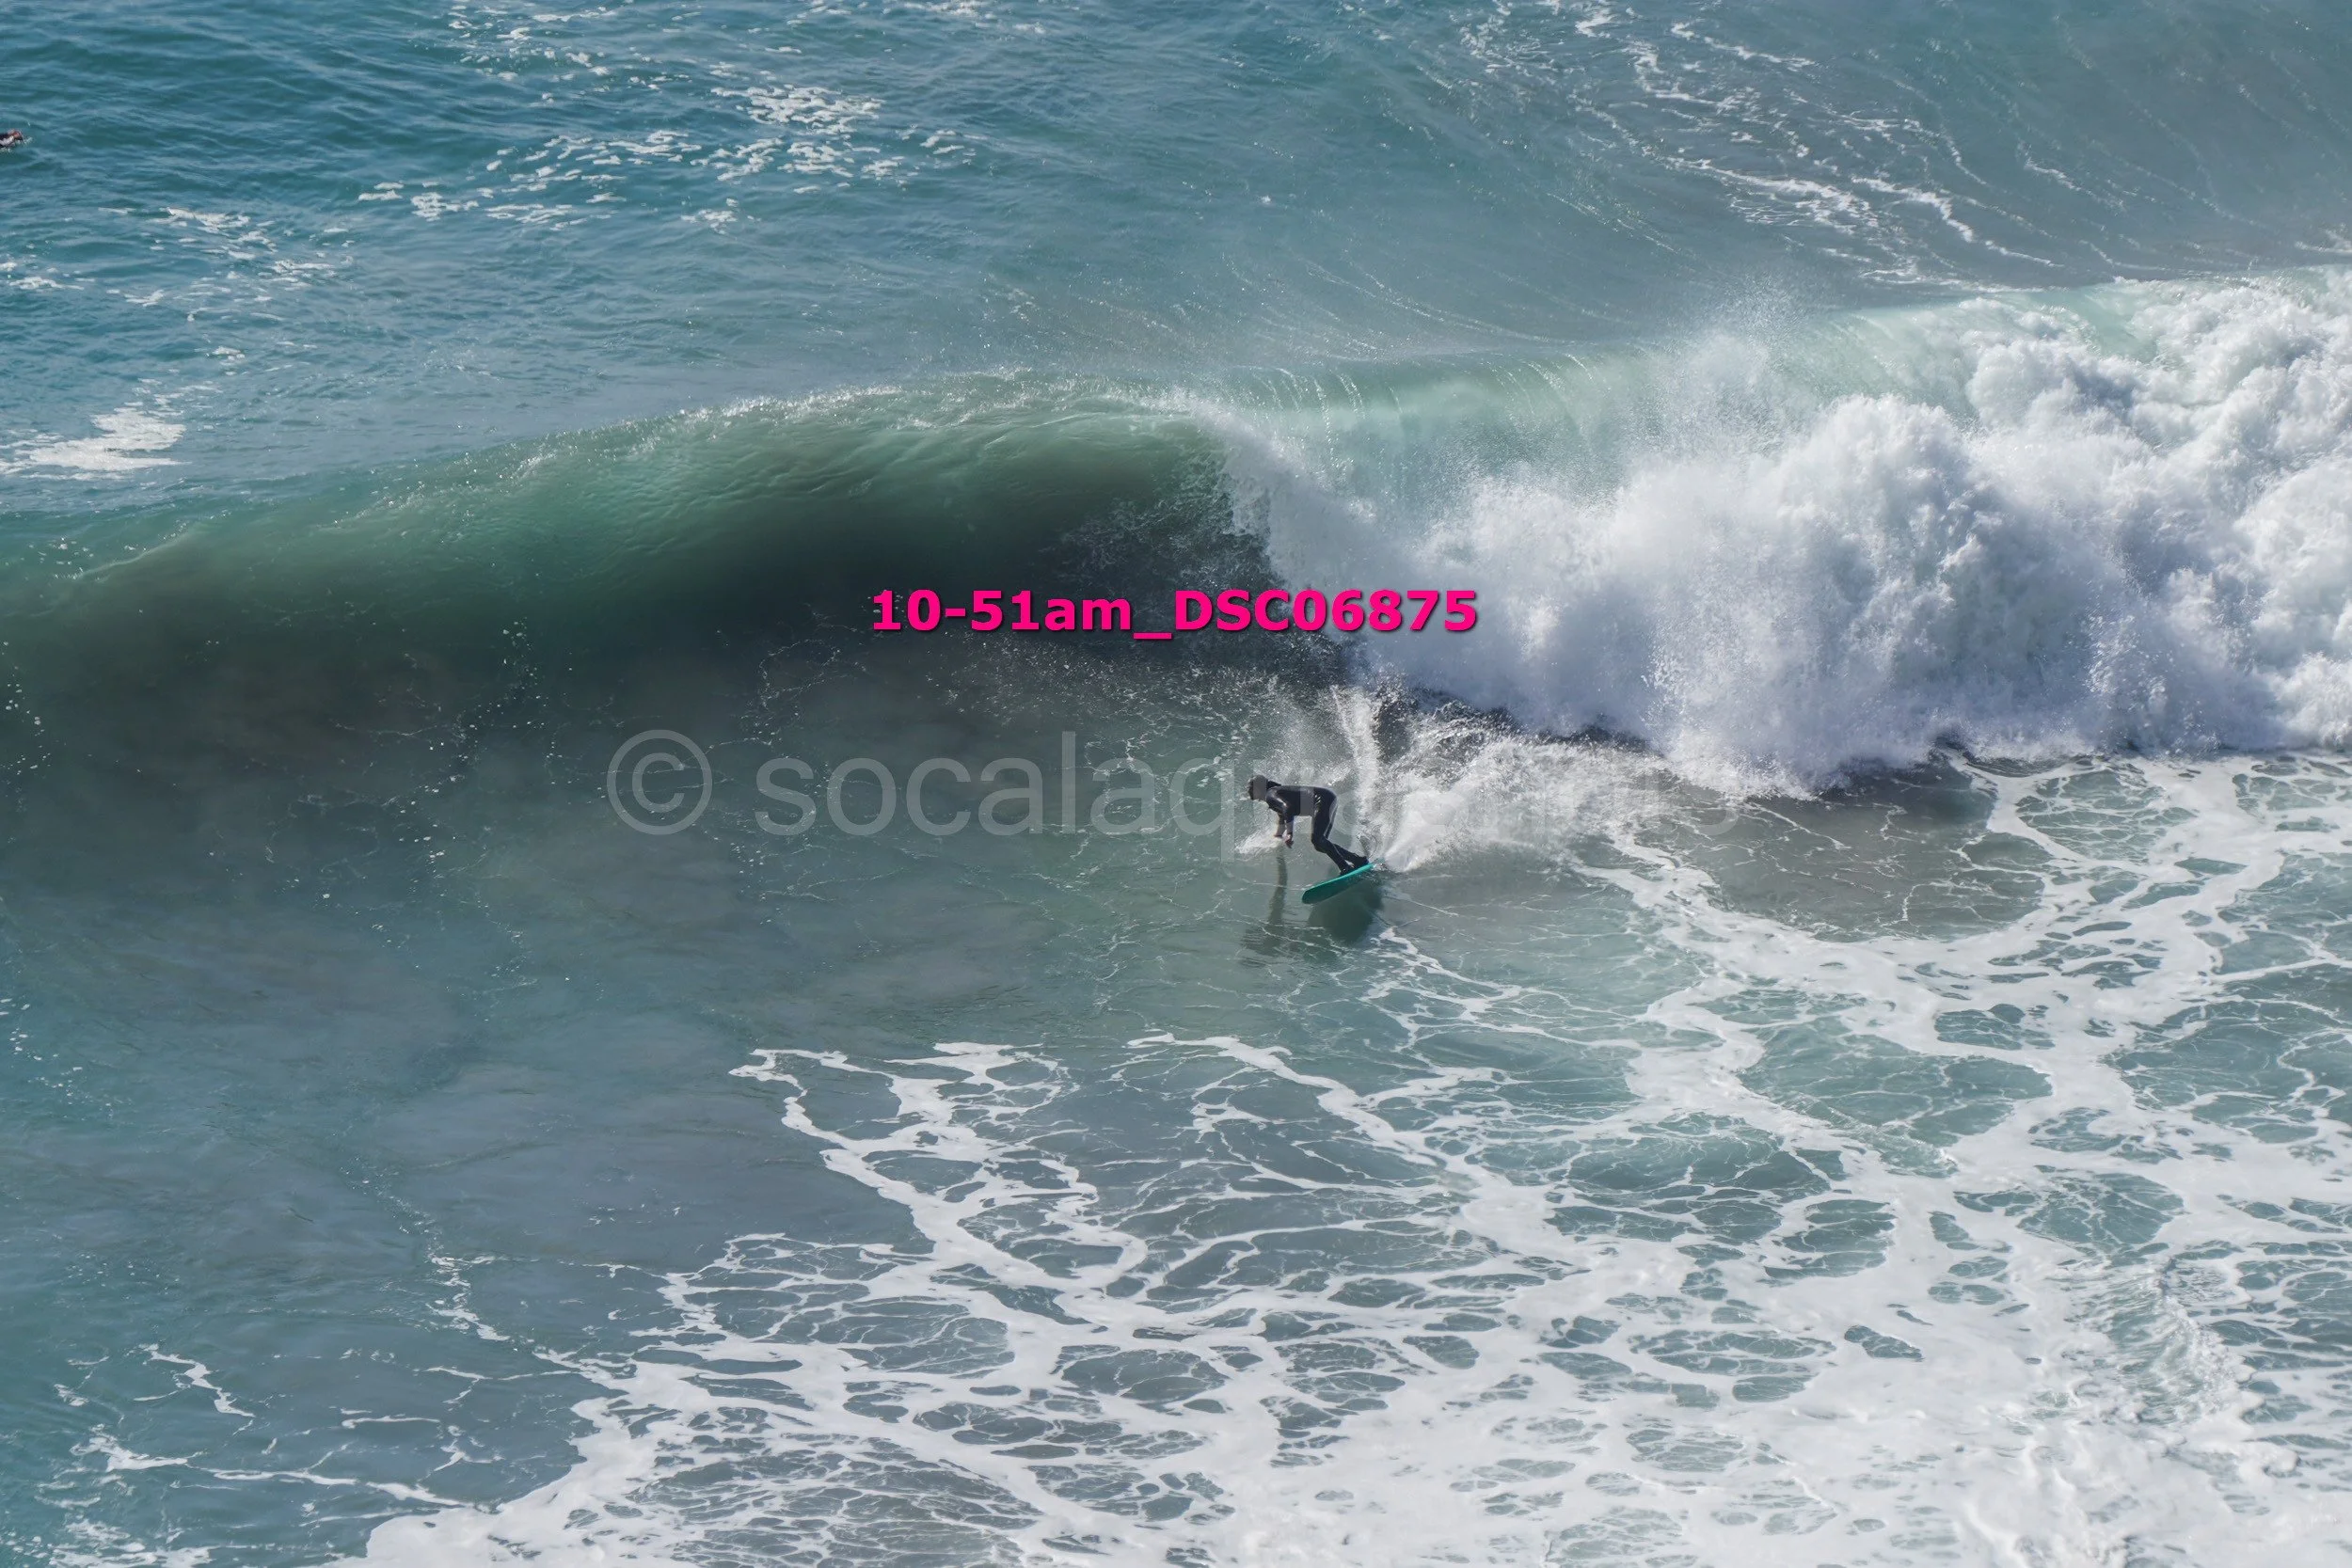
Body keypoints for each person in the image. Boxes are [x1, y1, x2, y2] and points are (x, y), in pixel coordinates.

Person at [1247, 775, 1368, 876]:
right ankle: (1357, 860)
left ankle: (1345, 868)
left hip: (1322, 800)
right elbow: (1283, 815)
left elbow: (1287, 807)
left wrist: (1289, 834)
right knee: (1319, 844)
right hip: (1327, 798)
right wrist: (1278, 835)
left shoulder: (1270, 794)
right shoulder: (1276, 792)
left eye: (1251, 789)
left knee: (1317, 839)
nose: (1250, 793)